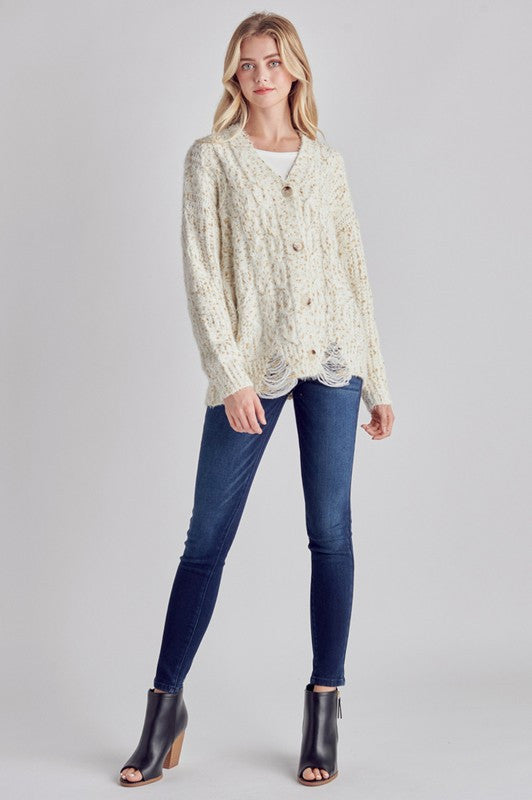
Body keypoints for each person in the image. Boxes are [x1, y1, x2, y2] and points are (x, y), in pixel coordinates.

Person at [119, 11, 395, 788]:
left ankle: (324, 707)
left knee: (330, 533)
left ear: (295, 68)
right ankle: (164, 710)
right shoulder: (211, 158)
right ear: (233, 74)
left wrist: (377, 379)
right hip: (252, 368)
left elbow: (353, 271)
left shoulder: (326, 162)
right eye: (247, 63)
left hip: (334, 362)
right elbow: (202, 272)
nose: (260, 74)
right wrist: (231, 374)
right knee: (206, 539)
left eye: (272, 61)